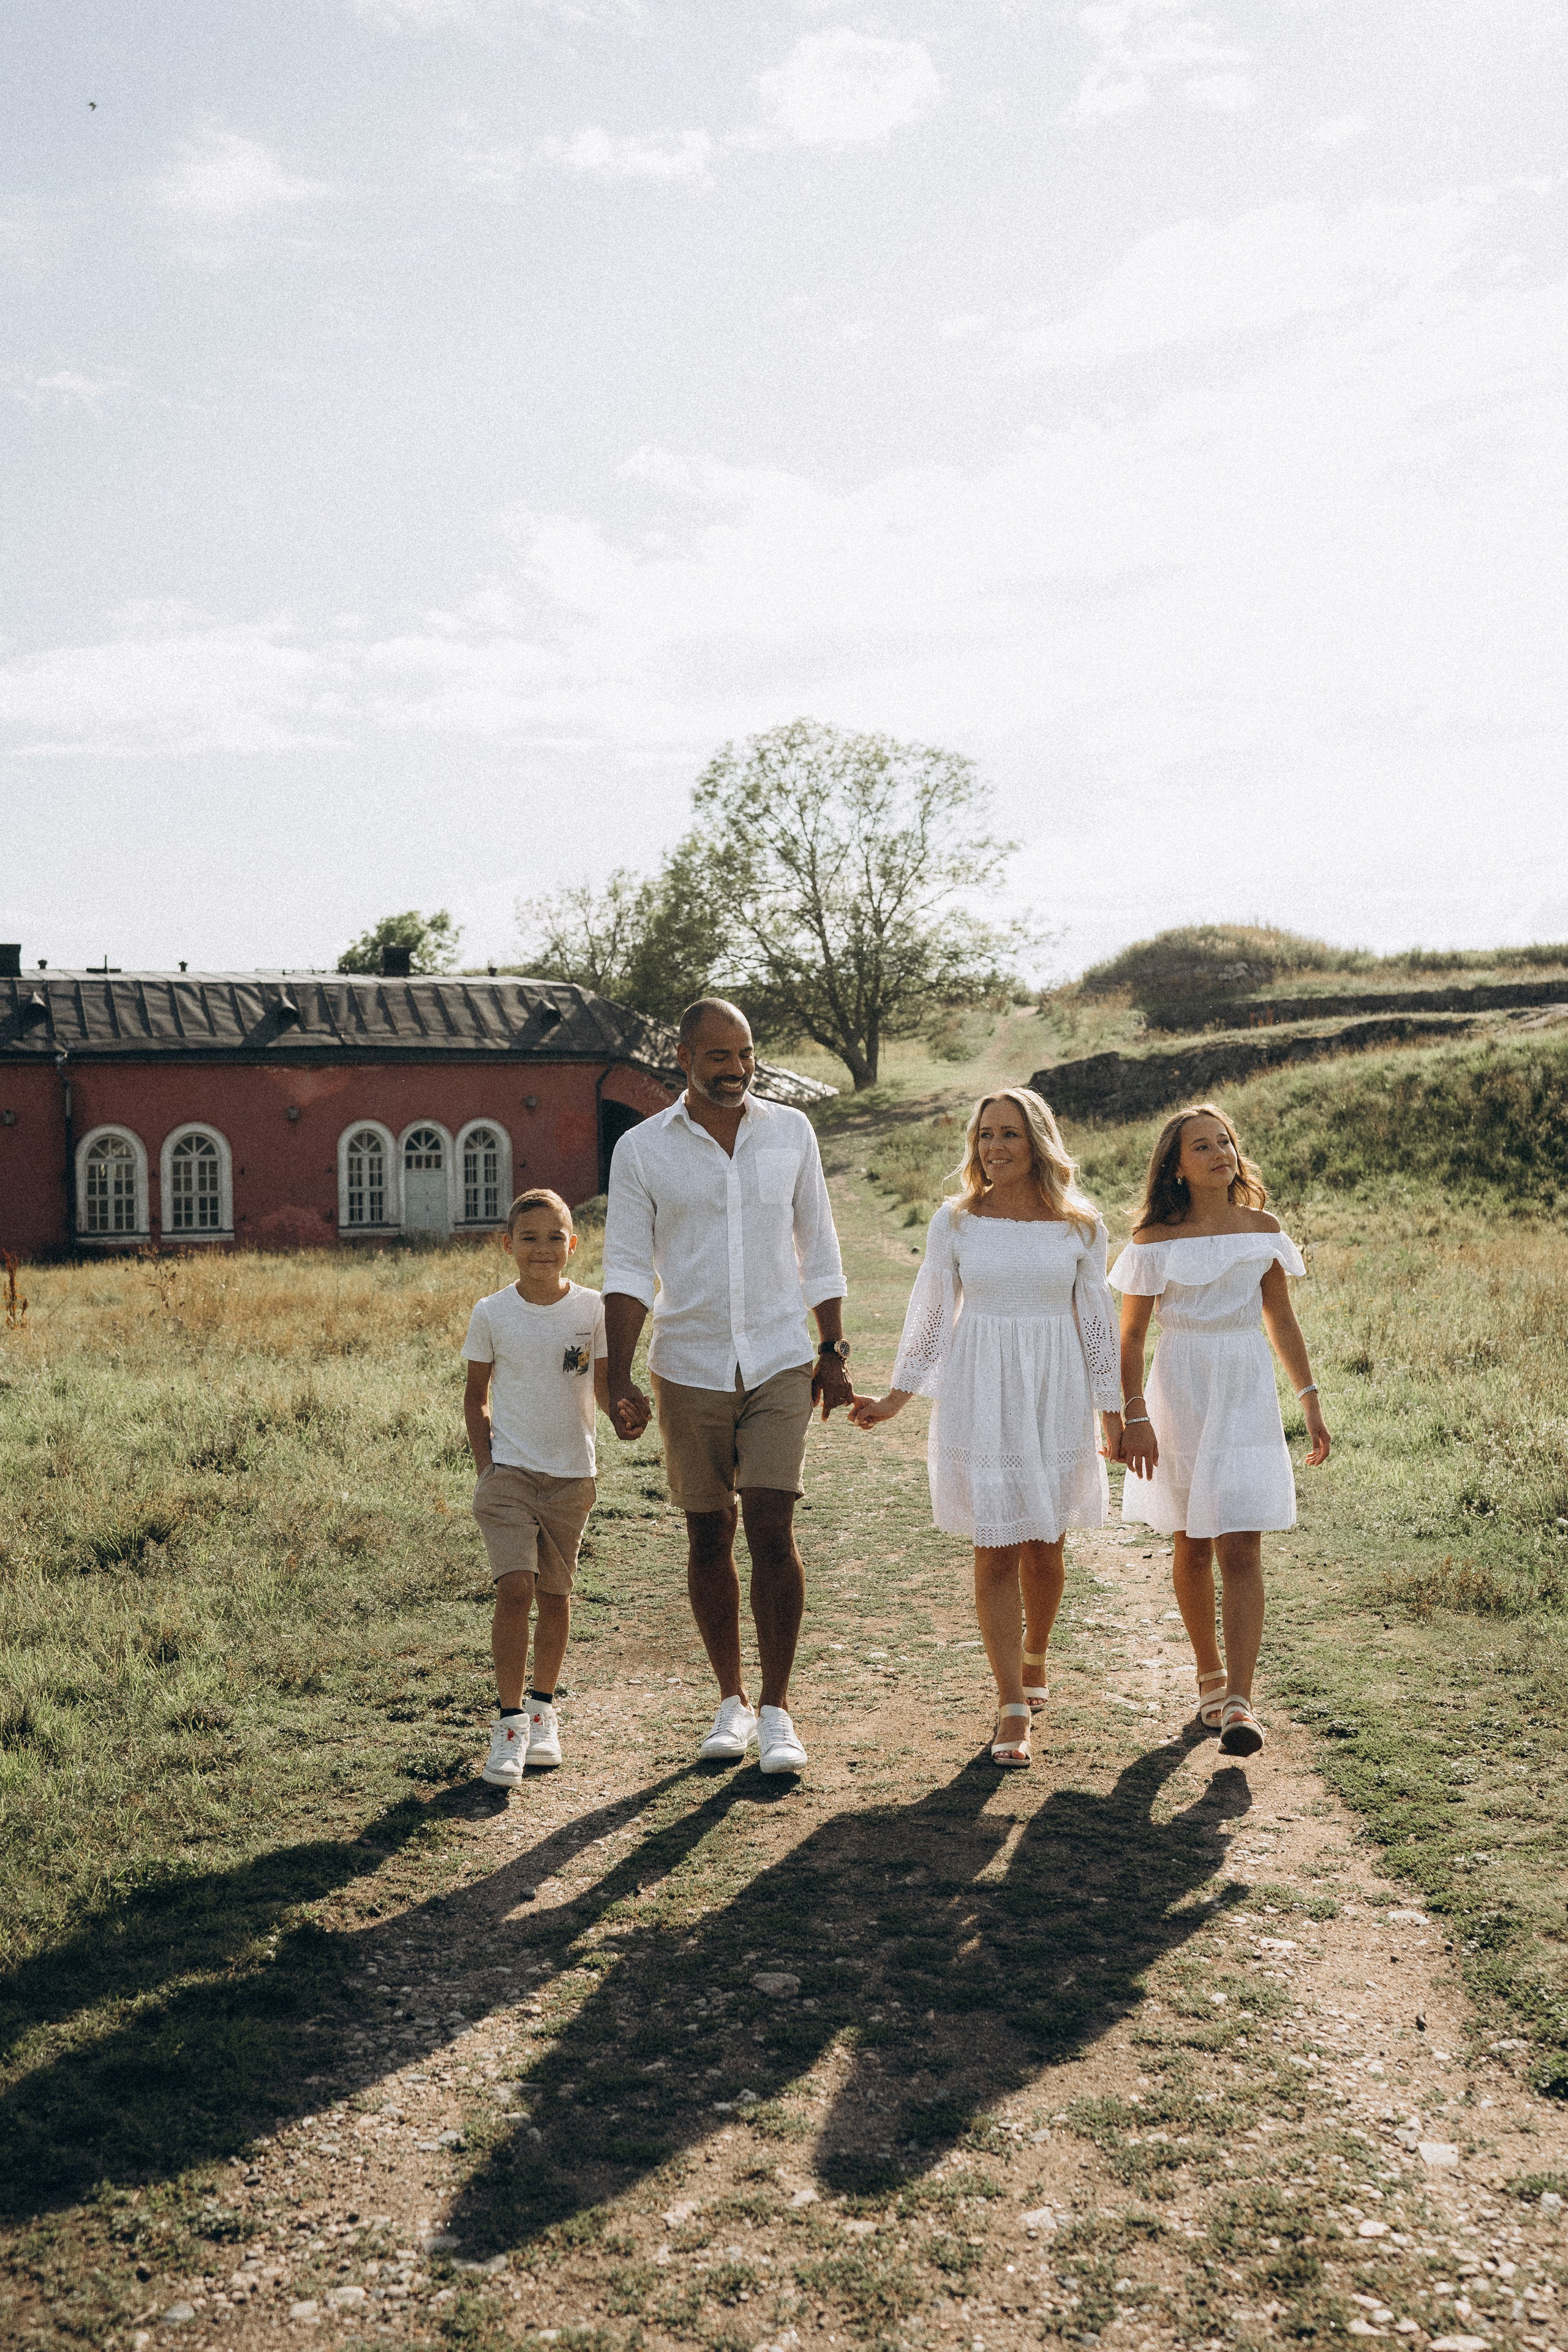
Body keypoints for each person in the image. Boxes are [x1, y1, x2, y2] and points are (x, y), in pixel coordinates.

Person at [601, 998, 851, 1775]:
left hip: (779, 1356)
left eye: (744, 1054)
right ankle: (731, 1702)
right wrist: (617, 1376)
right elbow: (625, 1269)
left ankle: (777, 1712)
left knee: (773, 1527)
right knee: (708, 1533)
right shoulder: (642, 1150)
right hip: (688, 1362)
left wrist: (832, 1348)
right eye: (717, 1056)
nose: (735, 1068)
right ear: (683, 1059)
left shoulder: (791, 1134)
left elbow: (820, 1245)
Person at [849, 1088, 1123, 1769]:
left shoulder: (1083, 1227)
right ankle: (1009, 1704)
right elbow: (931, 1313)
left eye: (1008, 1134)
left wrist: (1115, 1416)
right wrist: (895, 1397)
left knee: (1046, 1547)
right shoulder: (957, 1221)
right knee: (995, 1546)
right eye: (984, 1136)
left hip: (1054, 1392)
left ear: (1038, 1142)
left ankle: (1035, 1657)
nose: (993, 1147)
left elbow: (1097, 1327)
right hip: (982, 1389)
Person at [1112, 1103, 1330, 1758]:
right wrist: (1134, 1416)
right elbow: (1130, 1337)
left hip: (1243, 1388)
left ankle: (1239, 1699)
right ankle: (1207, 1675)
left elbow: (1281, 1321)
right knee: (1192, 1541)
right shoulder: (1153, 1239)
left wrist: (1310, 1400)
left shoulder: (1260, 1228)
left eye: (1225, 1143)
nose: (1219, 1154)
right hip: (1178, 1386)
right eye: (1201, 1147)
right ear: (1175, 1167)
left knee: (1241, 1542)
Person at [462, 1188, 609, 1787]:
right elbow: (476, 1397)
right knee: (515, 1588)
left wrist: (624, 1410)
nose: (542, 1249)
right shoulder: (492, 1313)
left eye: (555, 1237)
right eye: (529, 1237)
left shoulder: (592, 1310)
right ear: (507, 1246)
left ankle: (544, 1710)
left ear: (573, 1246)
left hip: (572, 1475)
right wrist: (487, 1468)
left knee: (554, 1593)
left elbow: (600, 1386)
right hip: (510, 1475)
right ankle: (508, 1724)